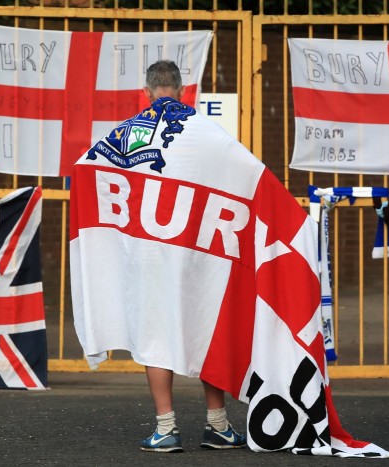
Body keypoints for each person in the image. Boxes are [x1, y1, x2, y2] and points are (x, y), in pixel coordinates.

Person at [96, 60, 246, 454]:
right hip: (199, 247)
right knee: (204, 327)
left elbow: (91, 169)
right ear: (182, 91)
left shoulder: (127, 134)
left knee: (156, 332)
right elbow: (244, 173)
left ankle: (166, 428)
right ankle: (217, 425)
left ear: (147, 92)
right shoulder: (207, 130)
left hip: (151, 250)